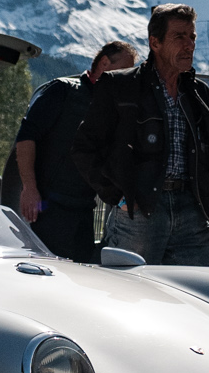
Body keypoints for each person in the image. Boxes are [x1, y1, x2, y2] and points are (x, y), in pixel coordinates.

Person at [72, 4, 209, 265]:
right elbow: (84, 147)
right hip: (139, 212)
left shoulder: (198, 92)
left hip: (191, 211)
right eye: (179, 36)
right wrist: (119, 196)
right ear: (155, 42)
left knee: (204, 293)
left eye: (192, 37)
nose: (189, 45)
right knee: (132, 296)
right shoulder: (120, 86)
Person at [11, 40, 137, 260]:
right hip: (48, 209)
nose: (127, 76)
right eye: (124, 69)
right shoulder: (62, 90)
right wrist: (29, 188)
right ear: (105, 63)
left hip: (84, 212)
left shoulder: (112, 107)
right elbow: (26, 138)